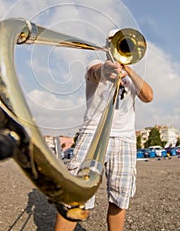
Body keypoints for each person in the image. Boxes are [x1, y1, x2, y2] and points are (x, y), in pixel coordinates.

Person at [54, 29, 153, 231]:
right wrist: (106, 70)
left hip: (124, 140)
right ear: (108, 44)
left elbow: (149, 96)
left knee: (120, 197)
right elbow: (94, 72)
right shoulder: (96, 66)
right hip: (93, 134)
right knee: (77, 194)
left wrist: (130, 71)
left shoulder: (132, 78)